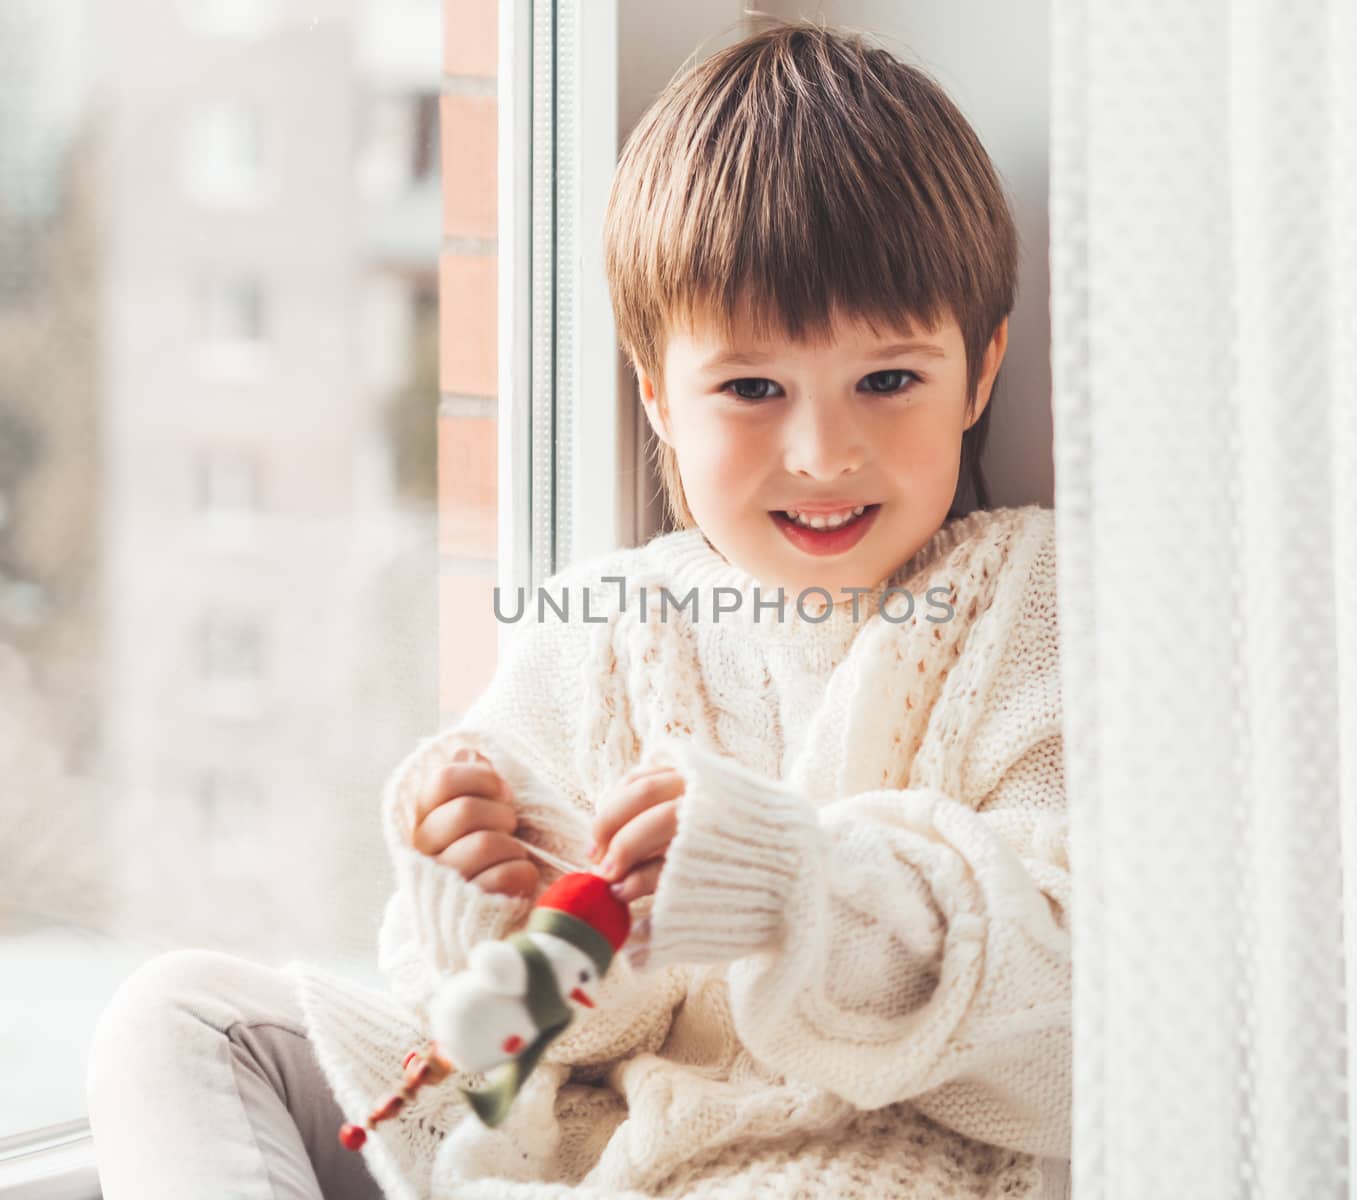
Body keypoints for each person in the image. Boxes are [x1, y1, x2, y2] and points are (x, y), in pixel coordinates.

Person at [86, 17, 1071, 1199]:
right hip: (577, 1150)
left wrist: (797, 890)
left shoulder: (1036, 601)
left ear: (983, 369)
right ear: (657, 396)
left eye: (888, 380)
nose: (821, 450)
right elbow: (496, 1048)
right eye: (752, 388)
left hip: (854, 1166)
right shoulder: (605, 624)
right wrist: (482, 909)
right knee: (178, 1019)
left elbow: (1069, 1039)